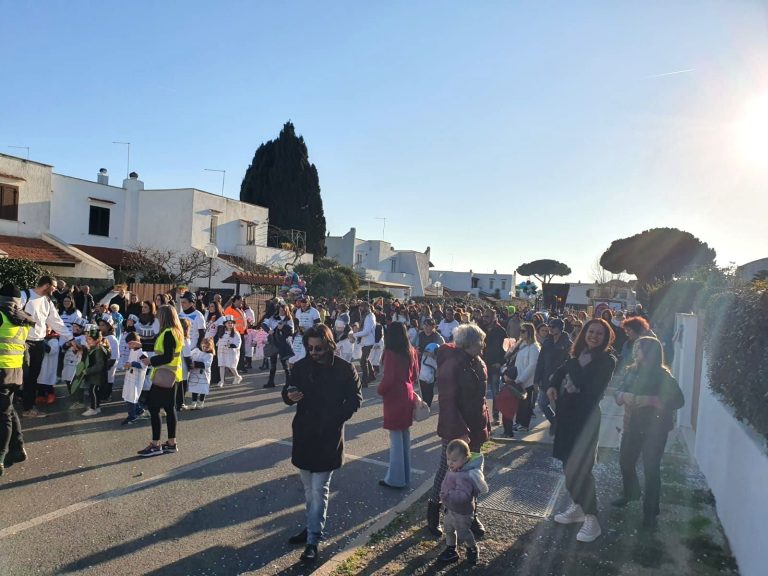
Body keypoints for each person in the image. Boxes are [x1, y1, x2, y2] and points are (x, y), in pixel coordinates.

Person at [282, 324, 363, 564]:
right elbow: (287, 392)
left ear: (328, 345)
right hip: (304, 434)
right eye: (310, 348)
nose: (314, 352)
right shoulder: (301, 366)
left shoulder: (345, 369)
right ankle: (311, 526)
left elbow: (356, 399)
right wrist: (289, 395)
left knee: (319, 490)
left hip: (328, 436)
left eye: (318, 348)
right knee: (309, 490)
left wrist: (335, 418)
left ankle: (313, 540)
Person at [547, 318, 617, 543]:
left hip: (585, 422)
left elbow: (588, 387)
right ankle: (579, 507)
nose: (594, 336)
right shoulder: (577, 356)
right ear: (584, 333)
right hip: (566, 419)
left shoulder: (606, 361)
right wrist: (551, 386)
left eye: (599, 333)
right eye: (590, 331)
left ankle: (592, 518)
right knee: (568, 468)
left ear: (605, 338)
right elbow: (559, 373)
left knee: (581, 470)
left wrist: (573, 365)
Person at [427, 324, 492, 539]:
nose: (483, 345)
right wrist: (460, 430)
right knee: (446, 469)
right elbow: (447, 401)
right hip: (456, 429)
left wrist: (486, 424)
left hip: (475, 428)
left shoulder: (479, 362)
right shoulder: (452, 363)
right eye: (479, 341)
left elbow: (481, 398)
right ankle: (433, 513)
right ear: (468, 343)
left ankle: (470, 514)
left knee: (472, 472)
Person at [613, 336, 684, 528]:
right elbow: (617, 392)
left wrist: (652, 401)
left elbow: (679, 401)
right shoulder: (631, 371)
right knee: (625, 462)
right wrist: (622, 396)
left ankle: (651, 512)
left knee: (651, 470)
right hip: (632, 425)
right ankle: (631, 493)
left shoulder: (663, 376)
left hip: (656, 428)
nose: (636, 351)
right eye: (636, 348)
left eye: (640, 348)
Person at [20, 276, 72, 418]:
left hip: (39, 342)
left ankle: (28, 408)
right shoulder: (25, 295)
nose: (55, 290)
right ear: (47, 285)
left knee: (33, 377)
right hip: (23, 341)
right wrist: (28, 320)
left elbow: (56, 322)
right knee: (23, 375)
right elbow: (13, 312)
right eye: (54, 287)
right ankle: (18, 405)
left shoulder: (48, 301)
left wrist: (70, 338)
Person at [377, 322, 419, 489]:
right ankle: (404, 476)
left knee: (395, 440)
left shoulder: (390, 353)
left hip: (394, 396)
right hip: (407, 393)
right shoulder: (411, 351)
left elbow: (388, 379)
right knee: (404, 437)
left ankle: (395, 478)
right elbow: (415, 374)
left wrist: (380, 390)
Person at [137, 305, 184, 457]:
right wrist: (142, 345)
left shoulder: (168, 333)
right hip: (173, 375)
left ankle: (155, 444)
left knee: (154, 407)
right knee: (170, 409)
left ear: (163, 317)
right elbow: (165, 351)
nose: (156, 317)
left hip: (164, 375)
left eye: (158, 315)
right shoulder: (175, 331)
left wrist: (150, 360)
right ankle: (171, 443)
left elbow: (166, 356)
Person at [0, 284, 35, 477]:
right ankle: (18, 448)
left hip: (1, 372)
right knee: (8, 410)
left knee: (3, 415)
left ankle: (0, 456)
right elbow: (24, 350)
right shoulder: (23, 320)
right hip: (15, 373)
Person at [438, 438, 489, 564]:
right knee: (448, 529)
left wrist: (447, 495)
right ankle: (451, 549)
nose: (450, 463)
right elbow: (446, 483)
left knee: (463, 533)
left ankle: (472, 548)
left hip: (462, 513)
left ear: (466, 459)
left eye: (454, 460)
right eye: (448, 459)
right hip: (450, 509)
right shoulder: (454, 470)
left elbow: (464, 496)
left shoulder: (465, 476)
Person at [534, 318, 572, 432]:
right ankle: (556, 423)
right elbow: (540, 361)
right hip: (546, 378)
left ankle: (562, 426)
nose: (550, 328)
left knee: (559, 405)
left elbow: (570, 363)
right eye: (549, 326)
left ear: (560, 329)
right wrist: (536, 379)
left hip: (561, 380)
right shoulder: (547, 341)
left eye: (552, 327)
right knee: (542, 403)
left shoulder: (568, 344)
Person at [511, 323, 540, 432]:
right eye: (520, 331)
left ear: (530, 333)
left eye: (523, 331)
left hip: (526, 381)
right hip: (519, 378)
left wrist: (521, 379)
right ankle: (518, 422)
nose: (521, 333)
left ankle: (524, 424)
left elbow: (532, 366)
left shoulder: (534, 348)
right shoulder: (523, 345)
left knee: (525, 404)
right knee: (520, 403)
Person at [480, 308, 507, 426]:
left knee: (496, 392)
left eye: (487, 317)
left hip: (495, 365)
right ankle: (481, 416)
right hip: (481, 365)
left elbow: (507, 349)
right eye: (484, 316)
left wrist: (500, 362)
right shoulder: (481, 329)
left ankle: (496, 416)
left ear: (493, 318)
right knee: (480, 391)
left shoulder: (501, 331)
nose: (484, 318)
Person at [76, 325, 111, 417]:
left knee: (94, 391)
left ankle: (93, 408)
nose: (88, 341)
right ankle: (97, 407)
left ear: (97, 340)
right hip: (94, 376)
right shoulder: (94, 348)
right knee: (94, 391)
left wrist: (86, 371)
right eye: (87, 339)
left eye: (90, 339)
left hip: (98, 377)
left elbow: (99, 366)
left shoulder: (99, 350)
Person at [263, 305, 294, 389]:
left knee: (285, 365)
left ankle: (289, 383)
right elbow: (264, 324)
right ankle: (271, 382)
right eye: (280, 310)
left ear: (286, 310)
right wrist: (268, 331)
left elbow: (291, 331)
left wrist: (283, 327)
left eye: (283, 310)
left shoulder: (288, 319)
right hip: (273, 343)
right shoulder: (273, 317)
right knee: (273, 364)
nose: (281, 311)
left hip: (283, 344)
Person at [120, 332, 148, 425]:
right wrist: (127, 364)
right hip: (130, 376)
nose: (129, 346)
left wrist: (132, 364)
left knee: (131, 397)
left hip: (137, 379)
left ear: (136, 342)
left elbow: (144, 365)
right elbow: (130, 360)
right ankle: (139, 410)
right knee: (128, 395)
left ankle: (132, 416)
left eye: (130, 343)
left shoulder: (141, 352)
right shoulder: (132, 351)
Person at [353, 301, 377, 387]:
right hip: (365, 341)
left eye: (362, 307)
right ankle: (372, 375)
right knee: (366, 359)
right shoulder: (365, 316)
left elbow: (366, 331)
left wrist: (354, 334)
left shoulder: (370, 316)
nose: (360, 309)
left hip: (369, 341)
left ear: (366, 307)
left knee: (363, 361)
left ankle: (365, 381)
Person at [189, 337, 215, 409]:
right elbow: (189, 356)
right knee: (194, 387)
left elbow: (207, 364)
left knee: (203, 388)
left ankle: (201, 402)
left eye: (207, 347)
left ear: (210, 347)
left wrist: (195, 364)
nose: (204, 348)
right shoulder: (196, 350)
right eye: (203, 346)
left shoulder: (210, 355)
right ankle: (193, 402)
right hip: (195, 373)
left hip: (203, 374)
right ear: (201, 345)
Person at [217, 316, 242, 387]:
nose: (230, 324)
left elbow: (238, 343)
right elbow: (220, 341)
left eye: (231, 323)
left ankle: (237, 376)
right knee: (221, 365)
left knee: (231, 366)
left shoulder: (235, 333)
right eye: (228, 323)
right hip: (221, 351)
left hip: (230, 352)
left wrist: (231, 345)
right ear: (225, 324)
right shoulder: (222, 332)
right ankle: (222, 380)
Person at [417, 342, 440, 407]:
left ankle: (426, 407)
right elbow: (437, 366)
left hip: (429, 379)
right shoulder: (427, 358)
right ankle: (426, 407)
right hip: (425, 380)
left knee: (429, 395)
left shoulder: (429, 357)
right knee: (427, 396)